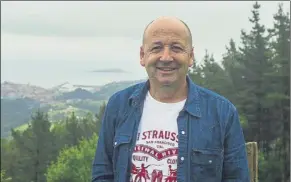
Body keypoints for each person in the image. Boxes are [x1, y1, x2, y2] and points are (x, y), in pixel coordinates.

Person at [92, 16, 250, 182]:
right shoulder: (119, 106)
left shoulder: (222, 112)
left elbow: (237, 178)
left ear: (190, 56)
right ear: (142, 55)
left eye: (176, 48)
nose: (166, 57)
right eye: (156, 48)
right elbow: (103, 174)